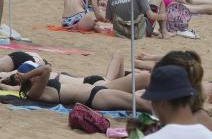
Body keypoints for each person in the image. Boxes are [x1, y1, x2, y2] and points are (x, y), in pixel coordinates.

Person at [8, 61, 151, 111]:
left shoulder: (40, 85)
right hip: (96, 97)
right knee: (146, 105)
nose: (38, 75)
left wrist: (26, 76)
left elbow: (46, 67)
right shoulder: (34, 92)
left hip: (98, 90)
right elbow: (47, 69)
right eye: (34, 74)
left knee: (145, 77)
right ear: (31, 78)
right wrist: (25, 76)